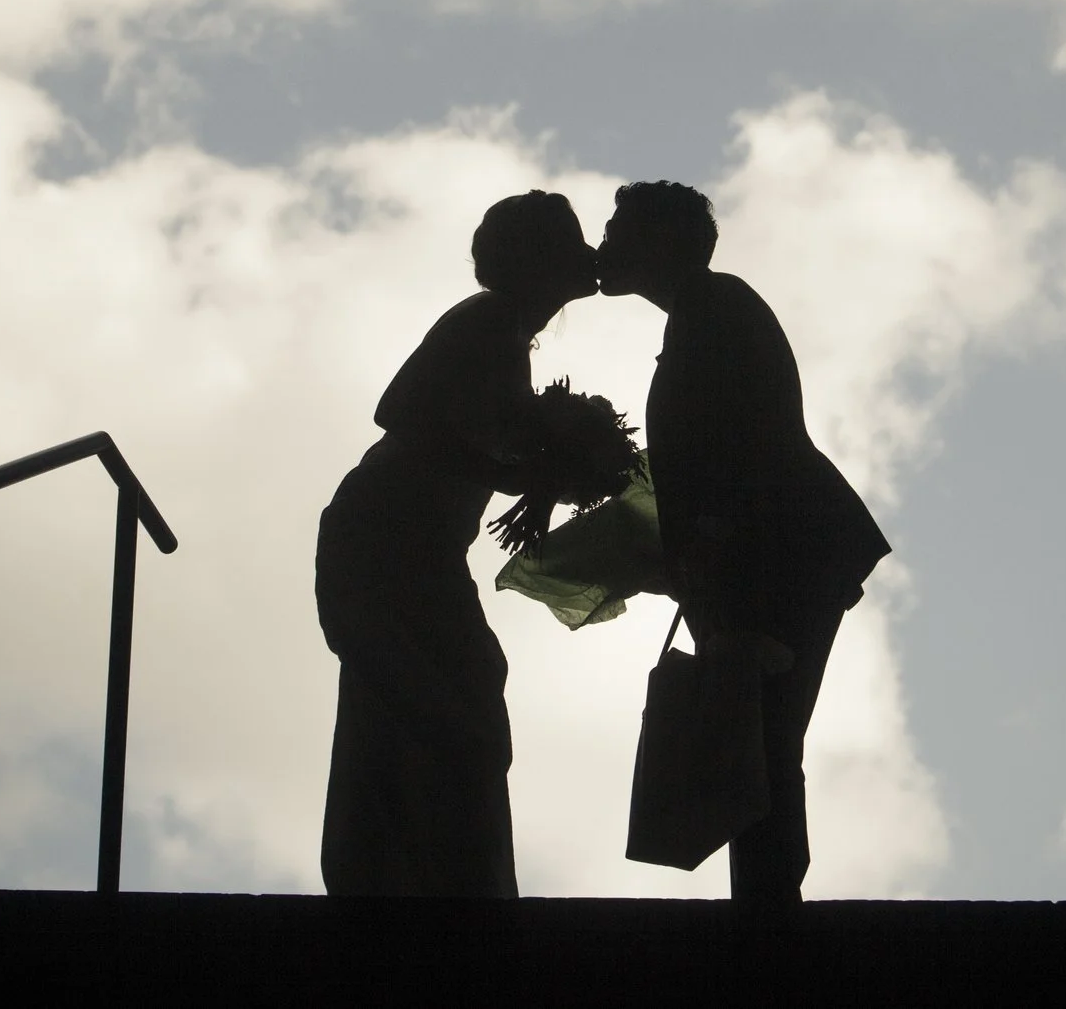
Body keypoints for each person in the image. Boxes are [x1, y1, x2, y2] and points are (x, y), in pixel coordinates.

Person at [595, 180, 890, 909]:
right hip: (770, 554)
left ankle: (767, 908)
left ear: (661, 242)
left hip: (776, 557)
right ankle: (765, 901)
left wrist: (711, 539)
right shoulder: (706, 311)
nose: (604, 243)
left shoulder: (714, 310)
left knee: (759, 733)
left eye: (618, 229)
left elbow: (745, 442)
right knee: (753, 732)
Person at [314, 191, 599, 896]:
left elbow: (463, 435)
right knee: (450, 701)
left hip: (411, 547)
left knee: (436, 695)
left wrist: (535, 467)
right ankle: (436, 885)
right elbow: (402, 410)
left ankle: (406, 875)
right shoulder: (490, 323)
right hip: (388, 544)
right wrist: (533, 466)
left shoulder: (501, 332)